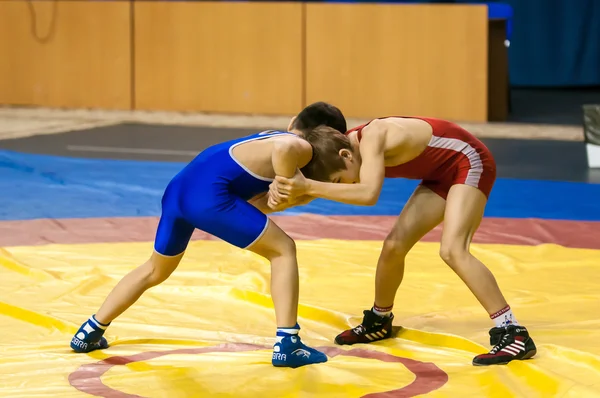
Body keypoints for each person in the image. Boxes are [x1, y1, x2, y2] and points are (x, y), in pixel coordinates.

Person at [70, 104, 353, 369]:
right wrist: (284, 180)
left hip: (178, 192)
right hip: (207, 196)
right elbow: (287, 147)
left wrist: (294, 193)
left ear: (294, 120)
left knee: (154, 270)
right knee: (283, 250)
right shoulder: (300, 147)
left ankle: (90, 331)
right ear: (328, 137)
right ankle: (288, 342)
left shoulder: (265, 141)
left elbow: (257, 205)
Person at [269, 115, 537, 366]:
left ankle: (512, 331)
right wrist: (277, 200)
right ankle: (380, 320)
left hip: (469, 161)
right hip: (441, 174)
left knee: (453, 250)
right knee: (393, 246)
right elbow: (325, 188)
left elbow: (368, 194)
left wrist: (308, 188)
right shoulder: (341, 149)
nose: (344, 185)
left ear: (346, 155)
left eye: (341, 180)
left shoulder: (372, 137)